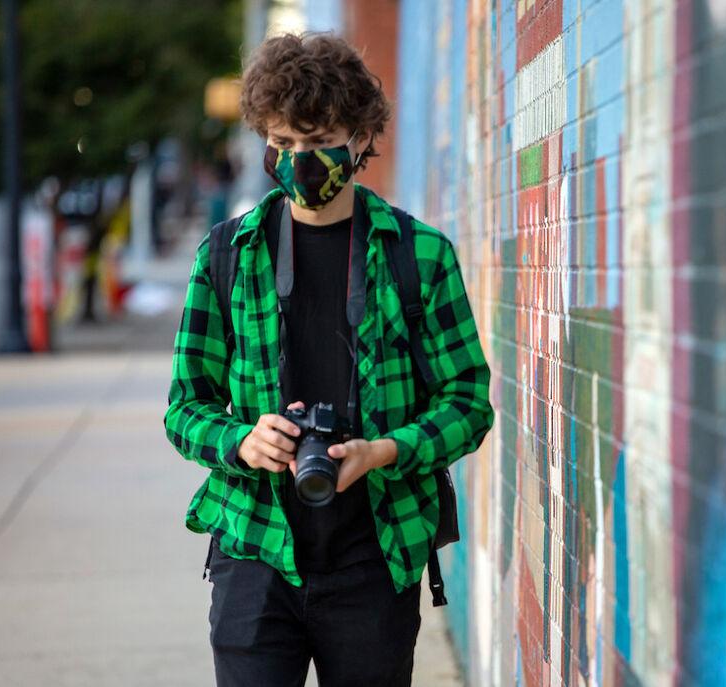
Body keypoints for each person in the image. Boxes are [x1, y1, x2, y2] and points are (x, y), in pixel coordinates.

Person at [164, 32, 494, 687]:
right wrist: (242, 439)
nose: (299, 163)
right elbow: (184, 409)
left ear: (362, 137)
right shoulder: (227, 255)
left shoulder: (419, 255)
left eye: (317, 144)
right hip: (257, 545)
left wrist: (386, 450)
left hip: (375, 550)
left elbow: (468, 402)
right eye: (282, 144)